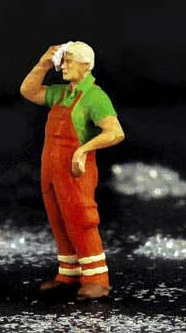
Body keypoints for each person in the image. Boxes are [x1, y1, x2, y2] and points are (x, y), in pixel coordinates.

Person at [20, 41, 125, 302]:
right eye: (62, 60)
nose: (63, 66)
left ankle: (97, 280)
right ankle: (69, 274)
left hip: (75, 172)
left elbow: (115, 132)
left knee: (81, 220)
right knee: (59, 220)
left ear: (85, 65)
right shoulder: (61, 93)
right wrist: (45, 61)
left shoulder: (95, 97)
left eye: (69, 61)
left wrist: (82, 150)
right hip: (51, 169)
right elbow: (28, 90)